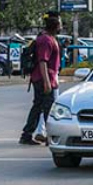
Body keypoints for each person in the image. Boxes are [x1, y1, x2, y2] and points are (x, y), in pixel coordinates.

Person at [20, 11, 61, 145]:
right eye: (60, 25)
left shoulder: (48, 38)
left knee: (38, 107)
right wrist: (47, 82)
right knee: (48, 108)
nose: (61, 27)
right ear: (55, 26)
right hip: (44, 78)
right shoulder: (46, 40)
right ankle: (49, 136)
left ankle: (27, 134)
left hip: (45, 77)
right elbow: (43, 61)